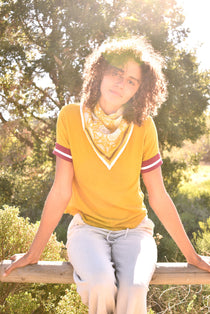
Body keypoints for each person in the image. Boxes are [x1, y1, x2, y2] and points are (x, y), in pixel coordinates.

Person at [3, 37, 210, 314]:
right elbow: (61, 190)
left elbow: (158, 195)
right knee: (100, 284)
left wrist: (192, 255)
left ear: (139, 90)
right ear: (100, 71)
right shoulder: (70, 117)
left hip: (135, 231)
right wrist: (34, 252)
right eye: (116, 73)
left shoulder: (144, 125)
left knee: (135, 287)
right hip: (87, 229)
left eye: (132, 81)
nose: (121, 84)